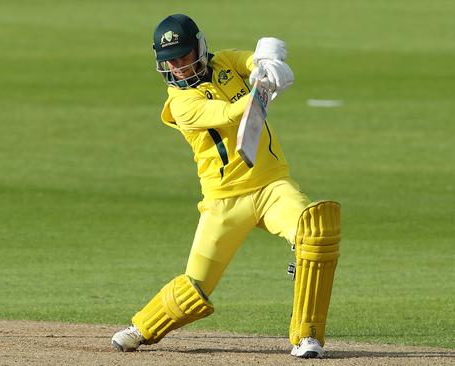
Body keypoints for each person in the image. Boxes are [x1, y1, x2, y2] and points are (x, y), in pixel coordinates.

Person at [111, 14, 341, 359]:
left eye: (184, 56)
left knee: (315, 234)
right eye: (170, 61)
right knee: (194, 288)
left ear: (200, 47)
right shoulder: (180, 103)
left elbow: (252, 59)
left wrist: (268, 62)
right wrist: (264, 87)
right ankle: (142, 327)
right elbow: (232, 114)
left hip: (272, 185)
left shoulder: (224, 62)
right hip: (224, 202)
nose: (179, 66)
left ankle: (307, 337)